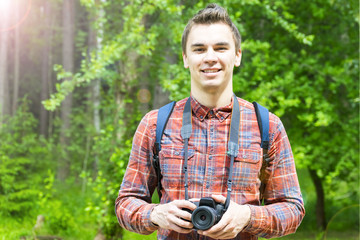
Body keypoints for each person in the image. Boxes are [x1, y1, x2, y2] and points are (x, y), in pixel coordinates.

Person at [115, 3, 305, 240]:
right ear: (186, 58)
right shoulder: (155, 124)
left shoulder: (267, 125)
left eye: (221, 48)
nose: (210, 57)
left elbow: (293, 209)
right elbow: (125, 203)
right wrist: (156, 214)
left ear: (237, 56)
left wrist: (247, 216)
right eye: (199, 49)